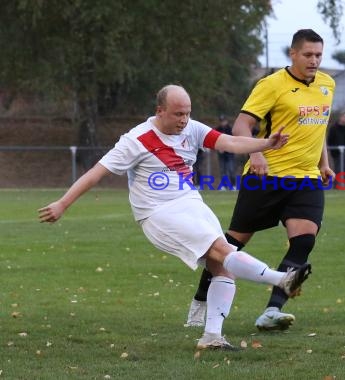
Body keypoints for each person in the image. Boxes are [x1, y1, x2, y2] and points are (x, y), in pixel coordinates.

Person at [37, 85, 312, 350]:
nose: (184, 120)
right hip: (157, 213)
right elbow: (96, 173)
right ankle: (280, 279)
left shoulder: (192, 128)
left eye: (187, 113)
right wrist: (62, 203)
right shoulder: (136, 140)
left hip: (189, 202)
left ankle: (212, 336)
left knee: (223, 266)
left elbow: (228, 142)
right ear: (160, 111)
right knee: (222, 250)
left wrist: (266, 143)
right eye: (178, 114)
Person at [187, 29, 335, 331]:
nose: (314, 60)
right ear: (293, 54)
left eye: (318, 54)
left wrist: (324, 162)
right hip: (265, 176)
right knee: (231, 245)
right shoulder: (271, 85)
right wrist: (255, 154)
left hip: (305, 179)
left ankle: (272, 310)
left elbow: (318, 128)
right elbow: (243, 124)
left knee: (304, 241)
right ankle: (202, 298)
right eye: (308, 54)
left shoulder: (327, 84)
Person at [215, 115, 236, 189]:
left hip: (229, 153)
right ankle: (223, 185)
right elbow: (215, 140)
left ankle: (233, 185)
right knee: (222, 170)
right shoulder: (217, 129)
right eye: (221, 121)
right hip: (221, 154)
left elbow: (233, 141)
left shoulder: (230, 130)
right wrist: (219, 148)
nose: (222, 123)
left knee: (231, 169)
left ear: (226, 121)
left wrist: (226, 148)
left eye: (223, 121)